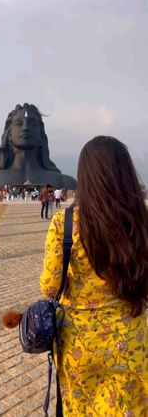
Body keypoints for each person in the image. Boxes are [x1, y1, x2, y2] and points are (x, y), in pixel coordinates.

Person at [40, 136, 148, 416]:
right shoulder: (141, 220)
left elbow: (50, 287)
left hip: (79, 343)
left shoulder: (65, 224)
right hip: (130, 336)